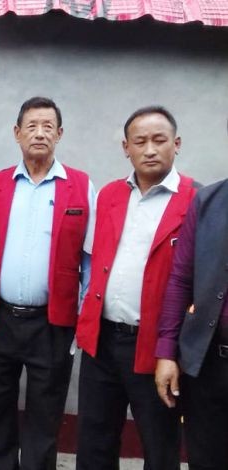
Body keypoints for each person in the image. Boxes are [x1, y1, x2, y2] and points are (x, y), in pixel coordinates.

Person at [0, 97, 95, 470]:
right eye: (31, 125)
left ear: (59, 135)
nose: (39, 133)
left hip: (53, 322)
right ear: (17, 133)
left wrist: (83, 310)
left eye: (48, 126)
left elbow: (91, 258)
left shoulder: (80, 185)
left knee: (46, 407)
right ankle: (0, 465)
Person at [75, 106, 194, 470]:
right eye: (139, 141)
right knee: (94, 442)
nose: (150, 149)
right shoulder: (110, 194)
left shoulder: (194, 199)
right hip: (102, 343)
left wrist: (171, 350)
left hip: (157, 348)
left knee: (159, 446)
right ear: (126, 147)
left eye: (159, 140)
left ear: (176, 144)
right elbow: (94, 263)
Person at [154, 122, 228, 469]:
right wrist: (168, 352)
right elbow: (181, 280)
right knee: (205, 459)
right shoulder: (209, 201)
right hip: (208, 365)